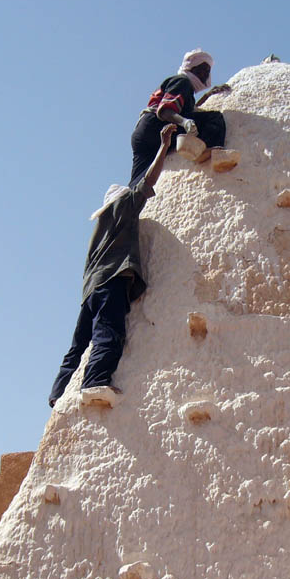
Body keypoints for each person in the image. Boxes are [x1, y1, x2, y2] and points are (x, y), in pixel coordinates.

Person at [48, 123, 179, 408]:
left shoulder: (100, 226)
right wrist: (165, 146)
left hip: (90, 290)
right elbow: (148, 183)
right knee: (109, 331)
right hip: (111, 283)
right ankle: (94, 383)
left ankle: (58, 394)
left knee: (78, 346)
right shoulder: (123, 210)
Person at [129, 49, 230, 186]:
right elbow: (165, 111)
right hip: (158, 125)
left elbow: (186, 108)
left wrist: (207, 96)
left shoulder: (184, 86)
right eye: (202, 69)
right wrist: (185, 122)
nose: (205, 74)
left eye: (208, 71)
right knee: (215, 117)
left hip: (142, 134)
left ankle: (129, 202)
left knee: (141, 179)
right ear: (192, 68)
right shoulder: (182, 82)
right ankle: (209, 150)